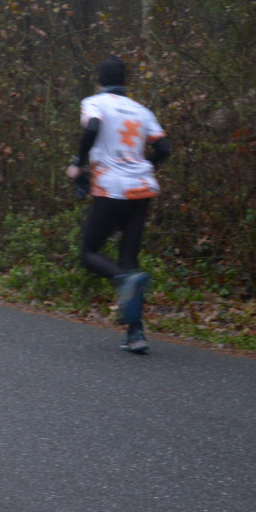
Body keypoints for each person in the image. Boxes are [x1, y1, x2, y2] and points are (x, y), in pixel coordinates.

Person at [65, 56, 171, 354]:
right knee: (129, 258)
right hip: (141, 190)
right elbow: (164, 147)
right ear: (125, 82)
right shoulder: (142, 110)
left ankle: (124, 280)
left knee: (89, 253)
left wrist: (78, 162)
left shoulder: (95, 102)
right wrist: (143, 167)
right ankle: (136, 334)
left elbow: (93, 126)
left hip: (110, 188)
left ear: (100, 81)